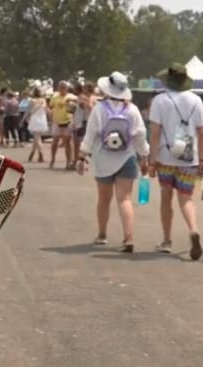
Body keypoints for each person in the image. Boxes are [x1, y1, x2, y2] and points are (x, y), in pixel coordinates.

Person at [77, 71, 149, 253]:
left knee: (103, 199)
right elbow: (140, 135)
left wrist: (82, 156)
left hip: (103, 159)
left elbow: (90, 134)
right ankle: (129, 237)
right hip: (127, 157)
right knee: (125, 199)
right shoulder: (132, 110)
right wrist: (145, 156)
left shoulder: (99, 109)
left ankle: (102, 234)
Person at [147, 63, 203, 260]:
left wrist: (152, 160)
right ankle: (193, 230)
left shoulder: (159, 100)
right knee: (186, 198)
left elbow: (155, 133)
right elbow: (201, 132)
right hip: (189, 157)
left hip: (165, 156)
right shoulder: (196, 100)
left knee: (166, 198)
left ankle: (166, 240)